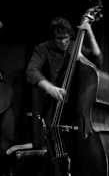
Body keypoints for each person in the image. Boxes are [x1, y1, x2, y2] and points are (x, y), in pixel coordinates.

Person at [25, 16, 103, 175]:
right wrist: (50, 88)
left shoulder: (75, 47)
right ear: (53, 37)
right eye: (59, 39)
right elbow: (31, 72)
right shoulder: (43, 49)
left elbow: (97, 60)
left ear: (70, 36)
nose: (63, 42)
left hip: (78, 110)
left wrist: (89, 31)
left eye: (66, 38)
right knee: (55, 157)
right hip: (53, 109)